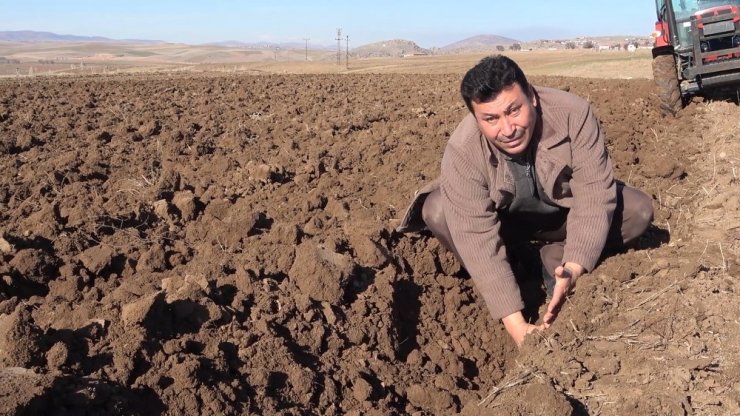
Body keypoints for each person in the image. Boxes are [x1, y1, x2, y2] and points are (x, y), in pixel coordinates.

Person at [397, 55, 653, 347]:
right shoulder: (462, 149)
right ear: (475, 118)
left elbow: (594, 195)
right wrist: (517, 326)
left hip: (565, 218)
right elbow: (475, 235)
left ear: (531, 96)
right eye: (491, 119)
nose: (507, 129)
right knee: (438, 209)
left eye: (513, 110)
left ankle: (554, 259)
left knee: (637, 211)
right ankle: (515, 269)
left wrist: (574, 266)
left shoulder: (573, 114)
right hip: (508, 228)